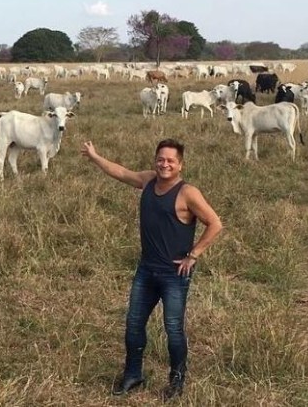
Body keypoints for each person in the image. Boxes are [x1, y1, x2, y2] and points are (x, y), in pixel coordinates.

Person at [80, 138, 222, 401]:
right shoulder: (148, 181)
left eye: (170, 160)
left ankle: (176, 379)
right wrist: (95, 156)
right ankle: (133, 374)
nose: (164, 164)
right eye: (160, 159)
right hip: (146, 271)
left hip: (174, 275)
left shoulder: (187, 193)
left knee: (173, 328)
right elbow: (121, 172)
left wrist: (193, 255)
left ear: (180, 165)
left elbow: (214, 223)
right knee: (134, 325)